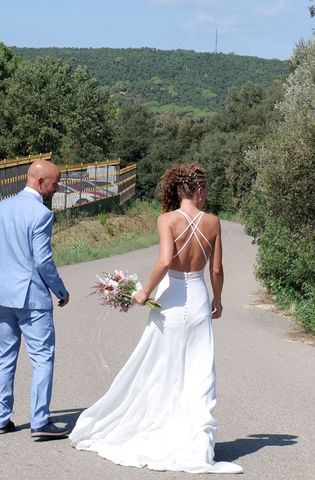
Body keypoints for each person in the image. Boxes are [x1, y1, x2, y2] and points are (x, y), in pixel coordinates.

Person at [69, 164, 242, 474]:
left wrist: (144, 291)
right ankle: (194, 441)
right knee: (198, 370)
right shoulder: (213, 223)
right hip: (199, 298)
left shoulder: (167, 220)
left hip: (171, 299)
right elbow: (216, 270)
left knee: (162, 367)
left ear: (179, 190)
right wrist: (218, 300)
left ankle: (161, 429)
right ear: (199, 190)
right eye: (205, 188)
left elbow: (165, 261)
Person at [0, 160, 70, 439]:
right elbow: (43, 260)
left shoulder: (0, 208)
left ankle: (0, 418)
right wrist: (60, 290)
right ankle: (40, 420)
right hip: (31, 297)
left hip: (1, 296)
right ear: (40, 181)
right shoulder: (41, 214)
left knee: (4, 357)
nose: (56, 189)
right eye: (54, 184)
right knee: (43, 357)